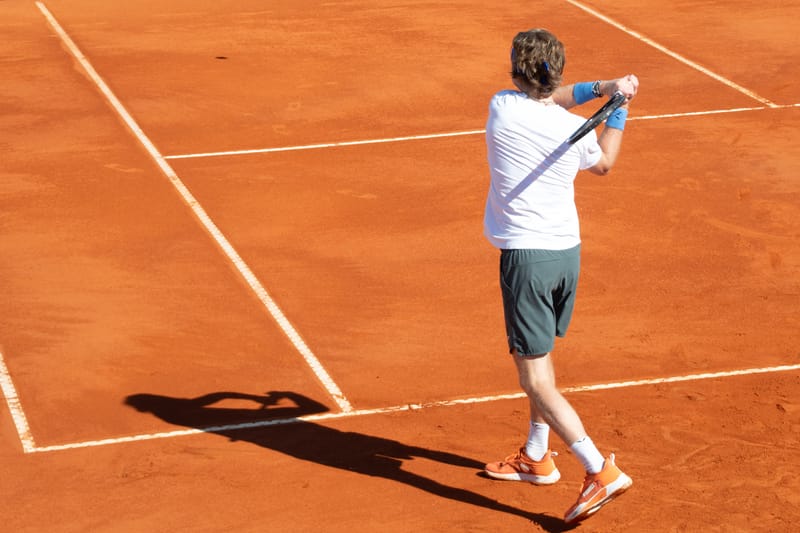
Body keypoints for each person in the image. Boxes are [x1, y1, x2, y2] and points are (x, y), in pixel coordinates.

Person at [481, 28, 639, 524]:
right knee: (543, 362)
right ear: (557, 71)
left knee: (533, 377)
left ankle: (598, 470)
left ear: (516, 69)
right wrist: (618, 103)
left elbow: (553, 94)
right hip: (565, 255)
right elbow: (606, 162)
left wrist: (605, 88)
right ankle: (536, 456)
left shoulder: (503, 107)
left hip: (526, 260)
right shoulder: (572, 132)